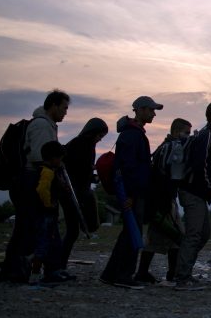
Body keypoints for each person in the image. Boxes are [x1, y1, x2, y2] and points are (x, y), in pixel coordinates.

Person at [0, 89, 70, 283]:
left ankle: (51, 268)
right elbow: (41, 157)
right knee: (29, 227)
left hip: (36, 179)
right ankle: (15, 270)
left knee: (43, 226)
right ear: (53, 106)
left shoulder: (46, 125)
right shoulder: (41, 126)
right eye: (64, 108)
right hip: (34, 179)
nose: (65, 112)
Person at [100, 96, 162, 289]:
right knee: (132, 235)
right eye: (151, 110)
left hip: (133, 192)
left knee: (129, 233)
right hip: (133, 194)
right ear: (141, 110)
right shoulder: (132, 135)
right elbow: (127, 168)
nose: (153, 114)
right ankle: (123, 275)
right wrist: (128, 195)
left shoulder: (133, 133)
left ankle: (111, 273)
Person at [173, 101, 211, 290]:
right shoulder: (206, 137)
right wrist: (208, 188)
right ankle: (182, 277)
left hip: (197, 193)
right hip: (193, 192)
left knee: (203, 234)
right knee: (194, 234)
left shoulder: (209, 136)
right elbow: (200, 165)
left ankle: (182, 270)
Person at [135, 118, 191, 285]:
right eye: (186, 133)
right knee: (172, 234)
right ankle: (158, 272)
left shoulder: (164, 147)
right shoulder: (172, 148)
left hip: (162, 198)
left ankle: (153, 272)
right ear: (176, 132)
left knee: (164, 235)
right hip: (163, 199)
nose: (188, 137)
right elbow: (168, 176)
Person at [61, 117, 109, 270]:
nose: (100, 139)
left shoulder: (80, 143)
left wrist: (92, 176)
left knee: (72, 231)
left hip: (75, 191)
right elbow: (78, 171)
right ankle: (58, 264)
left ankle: (58, 264)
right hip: (74, 193)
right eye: (99, 136)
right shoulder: (82, 145)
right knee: (72, 231)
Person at [34, 140, 75, 283]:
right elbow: (42, 189)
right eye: (60, 158)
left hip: (48, 214)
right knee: (44, 244)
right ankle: (37, 273)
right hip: (46, 214)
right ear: (53, 158)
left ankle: (52, 271)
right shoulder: (47, 172)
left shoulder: (47, 170)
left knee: (51, 242)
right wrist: (48, 204)